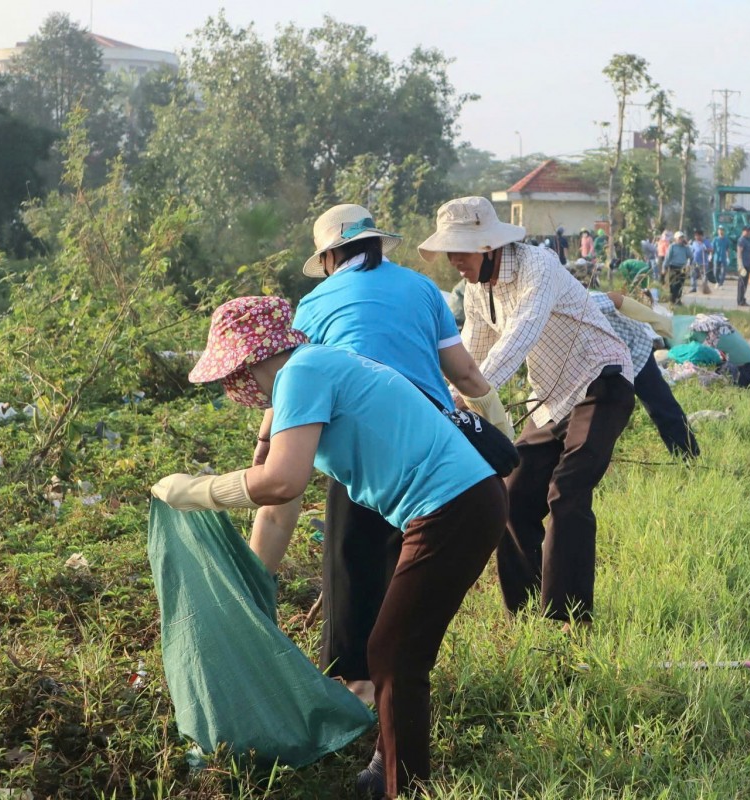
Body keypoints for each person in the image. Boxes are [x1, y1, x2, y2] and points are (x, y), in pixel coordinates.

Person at [152, 296, 508, 800]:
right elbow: (280, 507)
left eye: (233, 371)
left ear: (249, 359)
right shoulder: (311, 372)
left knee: (391, 650)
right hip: (457, 504)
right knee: (396, 648)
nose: (235, 385)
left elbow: (278, 481)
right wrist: (257, 584)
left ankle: (401, 786)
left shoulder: (303, 373)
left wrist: (192, 491)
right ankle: (389, 764)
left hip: (454, 506)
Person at [249, 205, 510, 714]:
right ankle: (398, 688)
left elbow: (293, 389)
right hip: (434, 445)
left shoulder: (314, 305)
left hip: (361, 445)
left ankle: (360, 694)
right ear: (375, 244)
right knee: (407, 578)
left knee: (351, 572)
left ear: (328, 257)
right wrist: (501, 433)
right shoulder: (422, 290)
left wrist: (262, 452)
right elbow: (468, 378)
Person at [418, 196, 634, 624]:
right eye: (449, 250)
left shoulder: (540, 265)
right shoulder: (479, 291)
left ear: (486, 245)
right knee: (513, 496)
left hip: (602, 380)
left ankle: (566, 620)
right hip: (552, 398)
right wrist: (442, 401)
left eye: (459, 249)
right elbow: (472, 356)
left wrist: (468, 396)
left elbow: (521, 332)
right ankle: (524, 613)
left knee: (567, 492)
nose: (453, 260)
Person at [591, 291, 699, 458]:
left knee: (661, 405)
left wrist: (656, 319)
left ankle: (689, 457)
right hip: (602, 363)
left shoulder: (580, 303)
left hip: (634, 350)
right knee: (597, 418)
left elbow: (615, 298)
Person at [663, 231, 693, 304]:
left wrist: (688, 246)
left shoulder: (685, 247)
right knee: (673, 284)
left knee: (680, 284)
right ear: (676, 239)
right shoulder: (672, 247)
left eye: (682, 238)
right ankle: (672, 299)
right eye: (680, 238)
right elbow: (667, 258)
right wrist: (664, 267)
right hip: (673, 267)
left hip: (682, 268)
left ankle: (678, 300)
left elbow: (691, 256)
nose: (681, 239)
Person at [736, 225, 750, 307]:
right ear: (743, 231)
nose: (749, 232)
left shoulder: (748, 240)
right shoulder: (741, 240)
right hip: (743, 265)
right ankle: (740, 301)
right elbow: (739, 253)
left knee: (745, 283)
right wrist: (740, 265)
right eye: (747, 231)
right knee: (742, 284)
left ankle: (742, 299)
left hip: (748, 264)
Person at [689, 229, 710, 293]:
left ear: (701, 236)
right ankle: (693, 287)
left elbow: (711, 249)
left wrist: (706, 250)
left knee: (704, 275)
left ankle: (705, 287)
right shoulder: (694, 243)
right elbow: (692, 251)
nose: (696, 237)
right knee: (693, 274)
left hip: (703, 262)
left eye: (697, 236)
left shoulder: (706, 242)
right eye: (695, 236)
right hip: (695, 261)